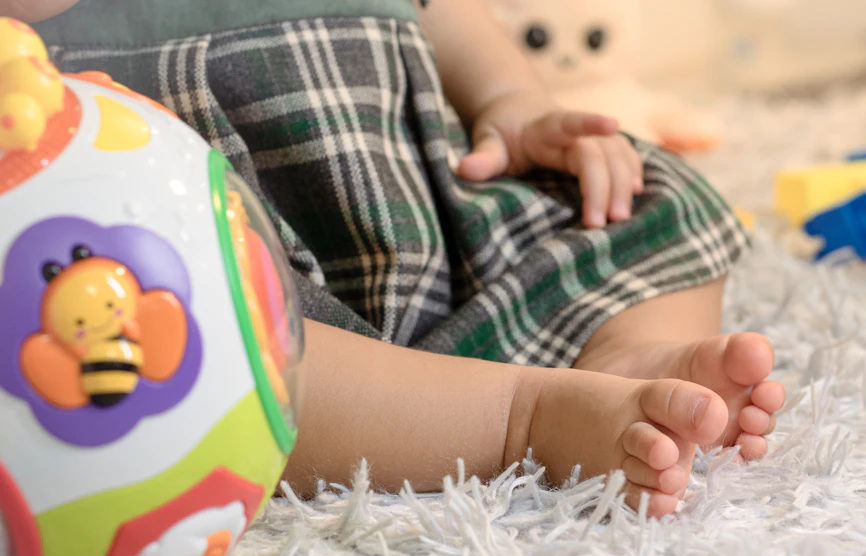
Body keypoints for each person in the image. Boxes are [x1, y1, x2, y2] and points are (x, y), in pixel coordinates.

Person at [6, 0, 785, 517]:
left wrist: (514, 103)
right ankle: (523, 415)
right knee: (205, 365)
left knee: (633, 186)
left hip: (423, 191)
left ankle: (621, 355)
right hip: (221, 238)